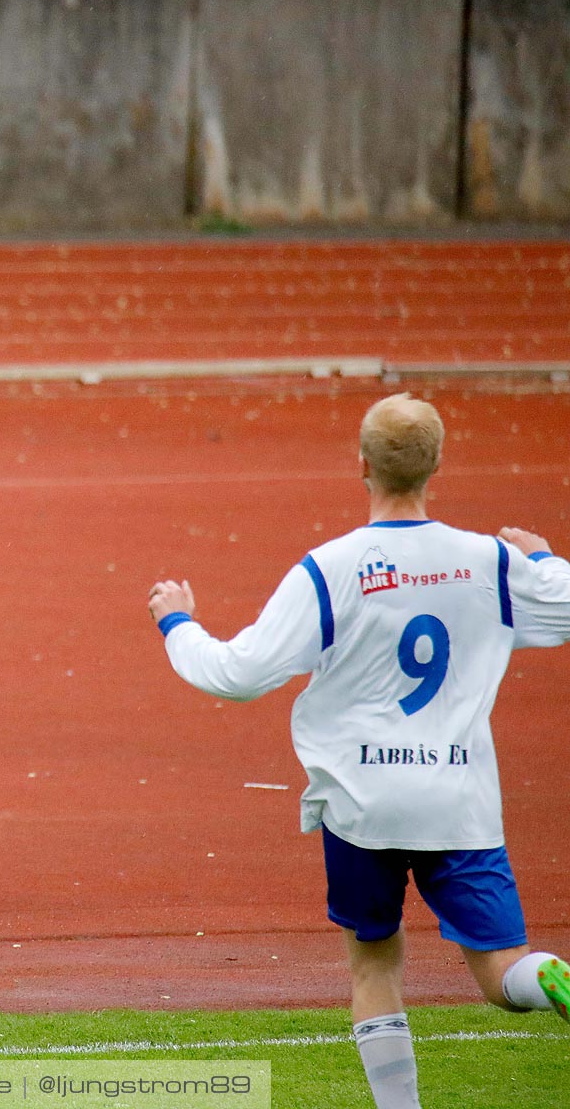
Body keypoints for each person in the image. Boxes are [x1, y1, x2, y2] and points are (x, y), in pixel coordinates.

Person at [146, 392, 570, 1108]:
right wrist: (545, 558)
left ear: (363, 466)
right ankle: (552, 974)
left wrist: (177, 622)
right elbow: (560, 603)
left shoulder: (332, 568)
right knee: (502, 975)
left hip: (362, 804)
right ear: (438, 465)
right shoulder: (489, 563)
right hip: (459, 802)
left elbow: (239, 674)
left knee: (375, 963)